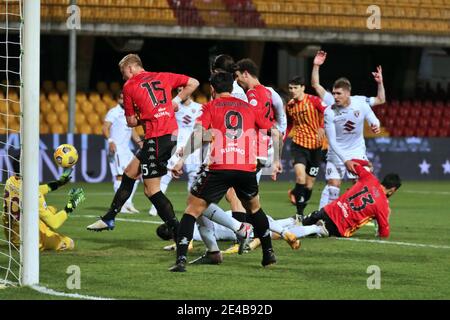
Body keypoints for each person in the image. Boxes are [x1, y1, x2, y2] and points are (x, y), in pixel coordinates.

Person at [168, 72, 283, 272]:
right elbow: (274, 132)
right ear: (232, 87)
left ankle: (181, 260)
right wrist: (276, 160)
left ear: (212, 89)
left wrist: (181, 159)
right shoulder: (249, 107)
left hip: (220, 166)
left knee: (192, 209)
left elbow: (198, 134)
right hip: (247, 167)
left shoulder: (210, 107)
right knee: (255, 209)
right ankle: (268, 254)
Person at [87, 53, 199, 240]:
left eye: (123, 72)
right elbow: (193, 82)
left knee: (151, 190)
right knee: (130, 172)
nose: (123, 77)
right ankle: (109, 217)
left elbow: (131, 122)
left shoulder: (130, 86)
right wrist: (174, 102)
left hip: (157, 138)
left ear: (130, 68)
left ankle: (179, 232)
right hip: (167, 136)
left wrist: (146, 115)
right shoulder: (163, 76)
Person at [311, 50, 385, 209]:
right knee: (333, 186)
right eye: (334, 93)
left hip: (356, 151)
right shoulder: (330, 107)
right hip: (336, 152)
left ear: (348, 93)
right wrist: (316, 65)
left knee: (361, 185)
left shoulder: (360, 102)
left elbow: (380, 101)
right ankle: (324, 217)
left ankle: (359, 215)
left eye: (339, 93)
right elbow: (315, 85)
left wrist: (375, 123)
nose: (335, 96)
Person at [2, 153, 85, 251]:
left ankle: (44, 228)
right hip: (31, 243)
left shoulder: (10, 181)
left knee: (51, 209)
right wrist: (72, 203)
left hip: (13, 236)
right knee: (70, 243)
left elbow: (38, 189)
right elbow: (55, 223)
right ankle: (47, 238)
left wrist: (59, 183)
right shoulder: (34, 195)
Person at [302, 159, 401, 238]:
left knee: (300, 224)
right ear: (392, 189)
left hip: (328, 211)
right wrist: (385, 217)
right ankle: (317, 229)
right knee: (315, 231)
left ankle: (293, 226)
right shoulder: (383, 205)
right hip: (339, 227)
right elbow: (384, 233)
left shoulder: (369, 177)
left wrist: (367, 163)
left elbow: (352, 162)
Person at [148, 87, 203, 216]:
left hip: (193, 146)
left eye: (183, 89)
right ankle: (155, 207)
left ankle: (193, 207)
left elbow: (201, 129)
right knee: (165, 176)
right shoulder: (172, 106)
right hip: (175, 145)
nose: (181, 92)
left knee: (194, 177)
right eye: (178, 90)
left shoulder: (200, 108)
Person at [285, 76, 326, 221]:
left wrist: (321, 127)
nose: (293, 91)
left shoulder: (314, 101)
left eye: (295, 87)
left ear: (303, 88)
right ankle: (299, 215)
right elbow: (289, 125)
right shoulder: (290, 105)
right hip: (299, 145)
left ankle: (296, 193)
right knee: (300, 177)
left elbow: (327, 112)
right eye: (290, 88)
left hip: (316, 148)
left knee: (309, 185)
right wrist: (284, 138)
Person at [103, 92, 143, 214]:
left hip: (126, 149)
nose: (122, 100)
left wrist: (140, 143)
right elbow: (105, 128)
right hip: (116, 149)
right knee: (120, 176)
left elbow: (132, 131)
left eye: (124, 98)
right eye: (120, 98)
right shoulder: (113, 112)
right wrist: (110, 141)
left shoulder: (129, 114)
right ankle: (120, 205)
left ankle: (128, 202)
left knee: (136, 174)